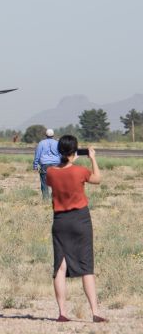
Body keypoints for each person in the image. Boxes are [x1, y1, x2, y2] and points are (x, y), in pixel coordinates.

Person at [46, 135, 107, 323]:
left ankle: (62, 312)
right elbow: (97, 179)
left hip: (60, 220)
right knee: (86, 266)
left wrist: (67, 160)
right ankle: (95, 312)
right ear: (74, 152)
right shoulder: (80, 171)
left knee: (60, 266)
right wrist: (93, 158)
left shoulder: (50, 172)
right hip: (80, 219)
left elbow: (55, 177)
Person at [33, 128, 60, 199]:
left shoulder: (41, 143)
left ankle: (45, 199)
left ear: (46, 135)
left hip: (44, 164)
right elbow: (61, 154)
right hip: (56, 164)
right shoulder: (57, 143)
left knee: (44, 183)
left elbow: (37, 155)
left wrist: (35, 166)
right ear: (53, 135)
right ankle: (54, 198)